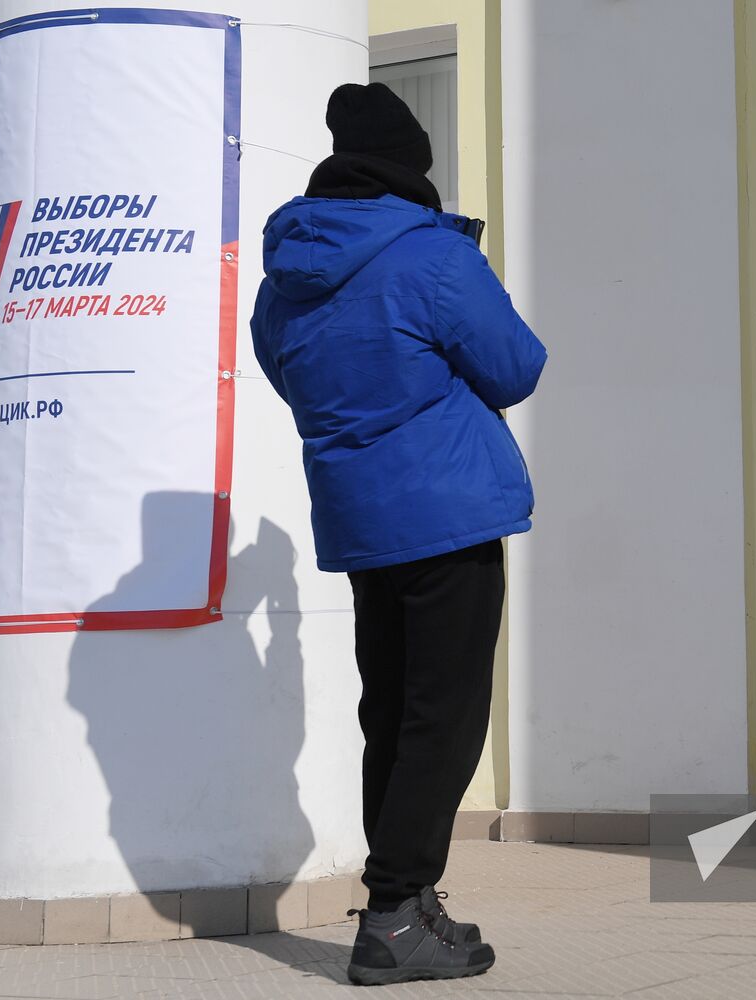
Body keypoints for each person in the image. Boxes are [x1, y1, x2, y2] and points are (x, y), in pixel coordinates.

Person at [251, 81, 546, 986]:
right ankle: (394, 914)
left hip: (360, 520)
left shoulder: (289, 270)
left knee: (391, 712)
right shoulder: (427, 254)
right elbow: (516, 366)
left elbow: (284, 369)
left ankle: (406, 902)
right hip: (448, 511)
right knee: (444, 720)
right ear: (410, 165)